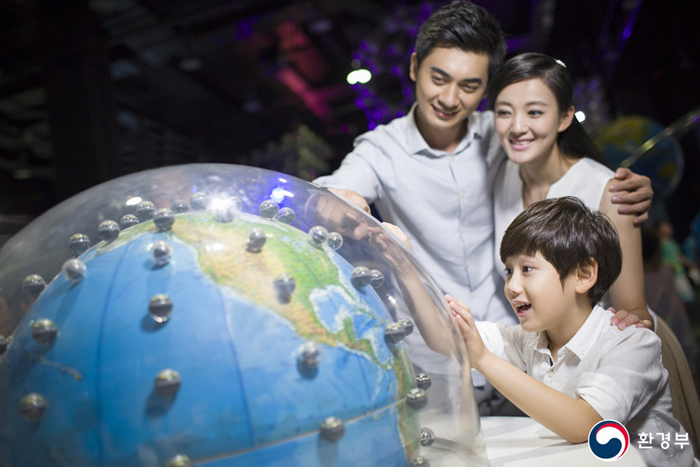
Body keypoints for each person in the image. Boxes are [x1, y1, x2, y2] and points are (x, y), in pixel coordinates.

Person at [313, 0, 653, 414]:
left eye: (470, 86)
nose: (449, 98)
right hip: (442, 354)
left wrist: (623, 185)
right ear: (415, 66)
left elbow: (557, 149)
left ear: (486, 88)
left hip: (522, 351)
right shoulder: (381, 149)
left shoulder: (505, 132)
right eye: (438, 78)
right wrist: (342, 201)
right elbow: (335, 189)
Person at [449, 197, 694, 467]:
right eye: (509, 271)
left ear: (583, 275)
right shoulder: (532, 338)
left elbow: (585, 425)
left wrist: (483, 359)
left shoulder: (632, 342)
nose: (512, 286)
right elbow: (448, 335)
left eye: (527, 269)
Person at [488, 52, 653, 325]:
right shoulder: (503, 175)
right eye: (504, 112)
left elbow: (633, 310)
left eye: (534, 112)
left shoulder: (609, 192)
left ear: (565, 117)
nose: (516, 127)